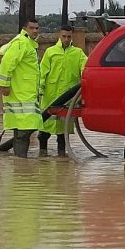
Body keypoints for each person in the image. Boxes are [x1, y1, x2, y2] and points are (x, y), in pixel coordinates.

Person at [38, 25, 88, 156]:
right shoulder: (50, 52)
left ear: (72, 37)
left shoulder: (78, 53)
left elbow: (86, 70)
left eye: (69, 37)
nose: (66, 39)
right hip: (50, 96)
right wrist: (40, 90)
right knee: (44, 130)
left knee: (62, 133)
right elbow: (42, 73)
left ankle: (62, 158)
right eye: (64, 36)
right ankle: (42, 156)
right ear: (59, 36)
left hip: (67, 99)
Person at [0, 19, 41, 157]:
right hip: (20, 94)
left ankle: (20, 164)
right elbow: (7, 63)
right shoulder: (22, 43)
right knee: (25, 129)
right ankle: (21, 163)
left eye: (37, 28)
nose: (35, 31)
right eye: (32, 28)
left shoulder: (28, 44)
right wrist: (4, 85)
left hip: (25, 93)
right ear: (24, 28)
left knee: (22, 129)